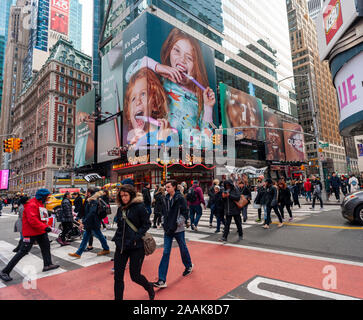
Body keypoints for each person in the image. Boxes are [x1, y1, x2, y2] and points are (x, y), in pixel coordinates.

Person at [0, 189, 59, 282]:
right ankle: (5, 271)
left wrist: (49, 214)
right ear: (42, 196)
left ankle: (48, 264)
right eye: (47, 196)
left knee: (46, 247)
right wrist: (45, 227)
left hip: (40, 231)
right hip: (31, 233)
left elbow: (41, 215)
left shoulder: (39, 203)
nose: (48, 198)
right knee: (22, 252)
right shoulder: (32, 204)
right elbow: (33, 221)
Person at [112, 184, 154, 300]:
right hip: (121, 246)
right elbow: (121, 226)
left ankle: (149, 286)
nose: (124, 198)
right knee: (118, 277)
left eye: (126, 195)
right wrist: (118, 238)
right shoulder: (121, 208)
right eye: (121, 196)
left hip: (136, 247)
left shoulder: (139, 207)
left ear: (131, 194)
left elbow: (147, 224)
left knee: (135, 276)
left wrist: (136, 236)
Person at [154, 180, 193, 288]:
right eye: (166, 187)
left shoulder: (180, 198)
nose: (166, 189)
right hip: (168, 229)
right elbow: (163, 212)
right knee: (166, 252)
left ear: (174, 187)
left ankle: (188, 265)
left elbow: (185, 212)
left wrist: (177, 223)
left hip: (178, 229)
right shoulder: (165, 198)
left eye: (168, 187)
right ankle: (162, 279)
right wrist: (163, 222)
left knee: (182, 248)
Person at [68, 188, 110, 258]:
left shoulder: (93, 200)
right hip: (91, 222)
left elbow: (92, 213)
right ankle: (78, 253)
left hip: (93, 222)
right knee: (86, 237)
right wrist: (79, 218)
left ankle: (106, 249)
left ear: (89, 193)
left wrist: (83, 222)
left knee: (99, 236)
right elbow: (84, 210)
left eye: (86, 192)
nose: (85, 193)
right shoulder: (90, 199)